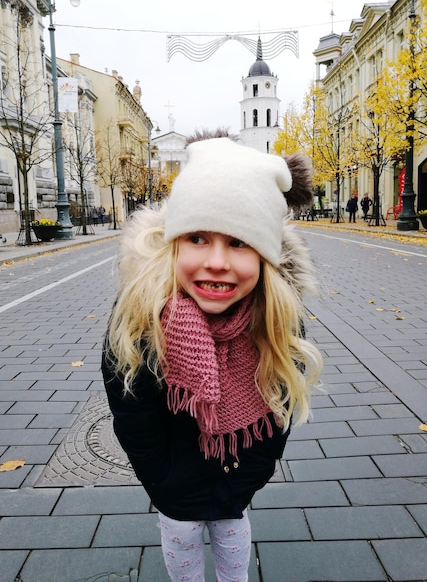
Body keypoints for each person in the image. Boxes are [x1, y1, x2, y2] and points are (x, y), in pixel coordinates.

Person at [101, 138, 323, 582]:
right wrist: (164, 484)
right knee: (181, 546)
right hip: (174, 488)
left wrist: (256, 471)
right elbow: (133, 415)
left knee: (233, 539)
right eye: (198, 238)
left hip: (238, 479)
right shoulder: (142, 323)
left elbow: (281, 405)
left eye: (239, 242)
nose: (217, 261)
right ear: (174, 245)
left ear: (264, 257)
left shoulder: (277, 323)